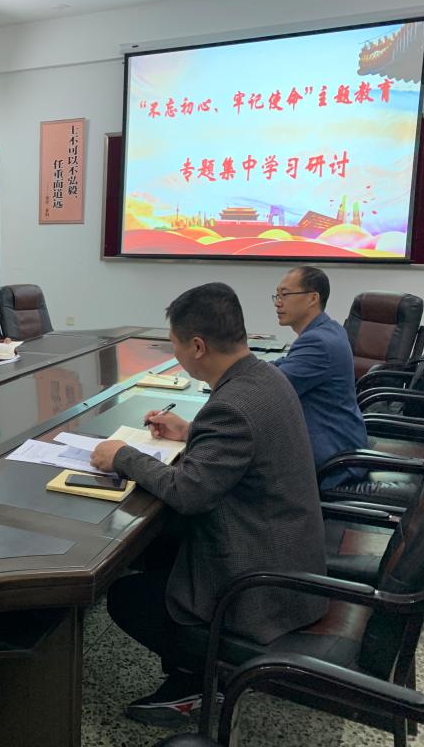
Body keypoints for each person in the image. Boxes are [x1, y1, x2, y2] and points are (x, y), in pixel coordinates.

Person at [90, 282, 327, 725]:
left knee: (125, 596)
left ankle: (199, 684)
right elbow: (242, 445)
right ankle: (192, 668)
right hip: (291, 555)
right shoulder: (264, 376)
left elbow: (188, 493)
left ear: (197, 347)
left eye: (176, 344)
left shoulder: (232, 406)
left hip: (261, 587)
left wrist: (122, 456)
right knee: (160, 546)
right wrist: (190, 432)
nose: (176, 352)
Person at [272, 266, 368, 489]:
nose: (278, 303)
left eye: (285, 294)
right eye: (276, 296)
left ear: (312, 298)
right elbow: (281, 367)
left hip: (331, 463)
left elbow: (271, 388)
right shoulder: (329, 329)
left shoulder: (318, 342)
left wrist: (230, 368)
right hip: (337, 445)